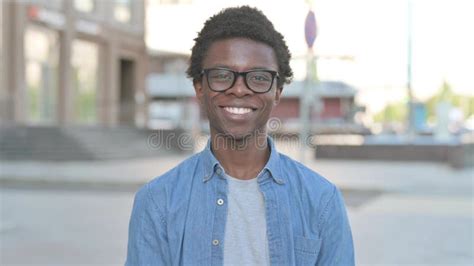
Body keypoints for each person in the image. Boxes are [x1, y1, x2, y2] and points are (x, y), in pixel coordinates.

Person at [126, 6, 354, 266]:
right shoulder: (157, 202)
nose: (239, 89)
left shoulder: (322, 200)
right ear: (199, 88)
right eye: (222, 75)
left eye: (258, 77)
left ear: (278, 91)